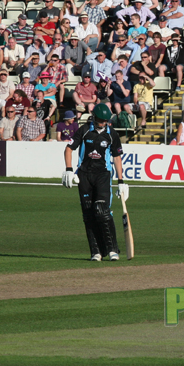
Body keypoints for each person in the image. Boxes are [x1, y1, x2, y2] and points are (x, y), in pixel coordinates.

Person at [62, 103, 127, 262]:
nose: (104, 123)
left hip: (103, 175)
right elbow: (69, 148)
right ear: (95, 118)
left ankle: (112, 249)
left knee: (102, 210)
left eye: (106, 121)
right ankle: (96, 252)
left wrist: (121, 181)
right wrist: (69, 170)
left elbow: (117, 157)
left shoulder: (112, 134)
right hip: (84, 175)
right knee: (88, 214)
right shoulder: (84, 130)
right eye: (101, 120)